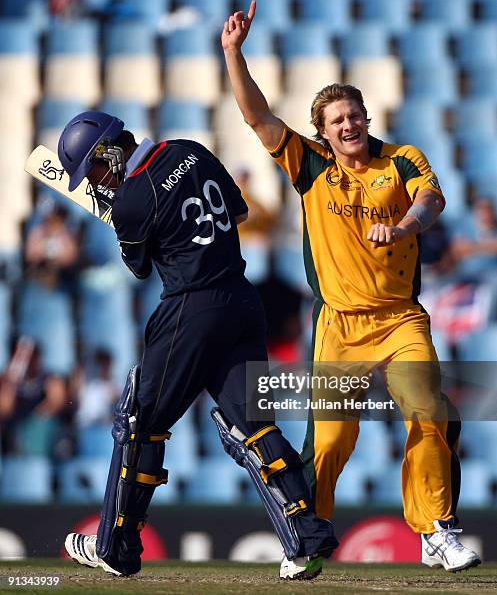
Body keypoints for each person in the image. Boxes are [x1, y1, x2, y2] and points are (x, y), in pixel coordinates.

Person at [221, 0, 481, 574]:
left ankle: (435, 529)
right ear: (323, 132)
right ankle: (308, 541)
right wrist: (234, 53)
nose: (348, 126)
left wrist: (406, 225)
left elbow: (431, 201)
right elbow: (258, 118)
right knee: (331, 443)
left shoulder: (403, 159)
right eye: (336, 121)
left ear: (366, 117)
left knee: (430, 412)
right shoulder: (311, 166)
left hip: (400, 320)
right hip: (339, 325)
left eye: (354, 115)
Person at [56, 111, 337, 579]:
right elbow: (240, 213)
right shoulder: (190, 150)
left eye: (96, 171)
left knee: (139, 422)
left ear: (108, 152)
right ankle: (305, 538)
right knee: (252, 426)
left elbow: (140, 268)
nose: (97, 182)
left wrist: (126, 212)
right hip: (242, 301)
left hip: (191, 309)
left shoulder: (128, 203)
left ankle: (115, 545)